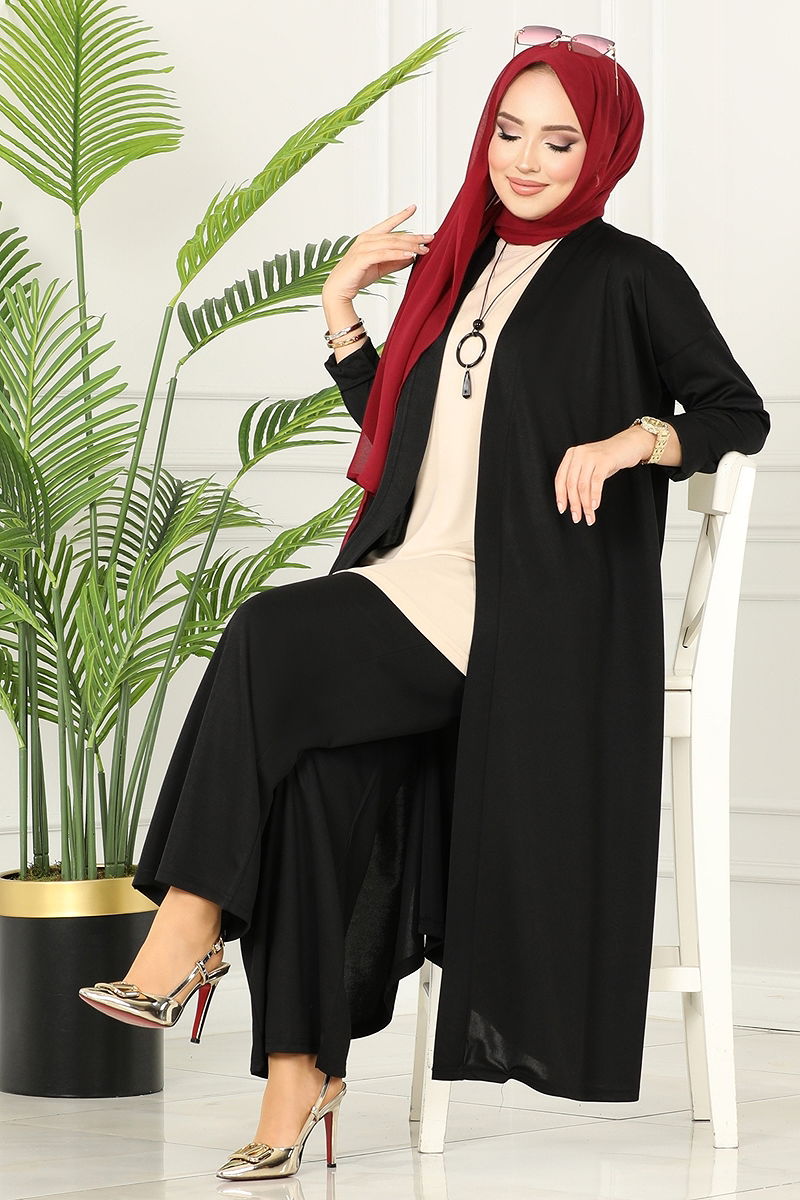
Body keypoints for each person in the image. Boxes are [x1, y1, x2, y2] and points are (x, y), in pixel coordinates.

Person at [77, 35, 770, 1182]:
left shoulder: (625, 277)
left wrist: (632, 440)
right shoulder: (464, 264)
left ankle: (186, 929)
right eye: (508, 131)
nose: (525, 159)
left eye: (558, 141)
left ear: (601, 152)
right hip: (411, 579)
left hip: (517, 617)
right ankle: (299, 1080)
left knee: (266, 632)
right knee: (310, 778)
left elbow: (736, 411)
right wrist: (341, 313)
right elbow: (411, 442)